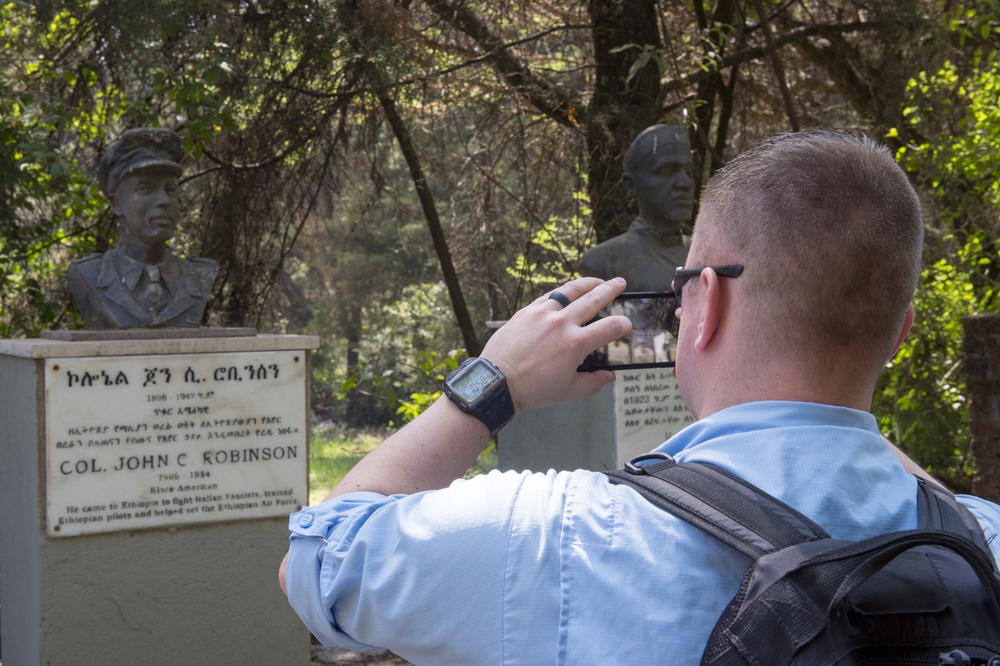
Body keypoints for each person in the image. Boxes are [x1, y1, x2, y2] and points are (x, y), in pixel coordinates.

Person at [280, 130, 1000, 664]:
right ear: (900, 333)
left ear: (703, 302)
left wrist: (488, 387)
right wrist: (848, 400)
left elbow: (318, 562)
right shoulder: (981, 543)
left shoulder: (556, 536)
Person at [68, 127, 218, 329]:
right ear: (116, 204)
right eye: (145, 189)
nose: (164, 200)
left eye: (170, 190)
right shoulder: (88, 274)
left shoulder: (202, 274)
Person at [576, 124, 693, 290]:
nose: (685, 183)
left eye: (689, 172)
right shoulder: (603, 261)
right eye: (666, 171)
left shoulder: (705, 254)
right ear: (631, 184)